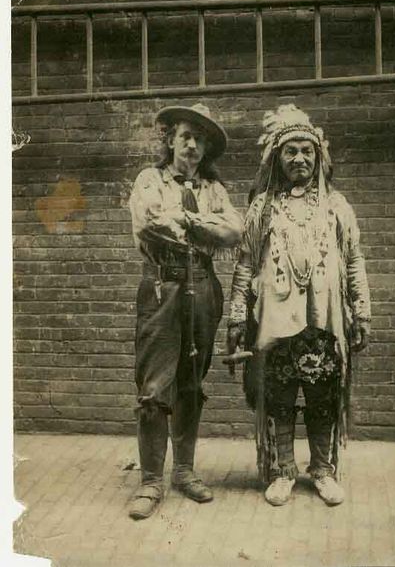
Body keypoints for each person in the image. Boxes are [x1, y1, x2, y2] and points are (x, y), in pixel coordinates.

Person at [227, 104, 370, 507]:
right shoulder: (263, 209)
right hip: (276, 323)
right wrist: (237, 315)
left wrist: (362, 311)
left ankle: (322, 470)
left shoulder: (336, 206)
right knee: (280, 396)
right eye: (290, 152)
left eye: (306, 151)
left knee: (324, 395)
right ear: (277, 158)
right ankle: (284, 470)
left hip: (324, 323)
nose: (299, 159)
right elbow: (245, 265)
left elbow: (354, 261)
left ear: (319, 157)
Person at [128, 103, 243, 519]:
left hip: (203, 285)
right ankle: (150, 481)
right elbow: (151, 223)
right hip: (163, 285)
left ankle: (184, 471)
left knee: (193, 379)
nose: (193, 145)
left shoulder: (215, 189)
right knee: (156, 384)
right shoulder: (149, 180)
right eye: (186, 137)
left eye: (200, 139)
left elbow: (233, 230)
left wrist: (187, 220)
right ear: (171, 141)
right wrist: (201, 223)